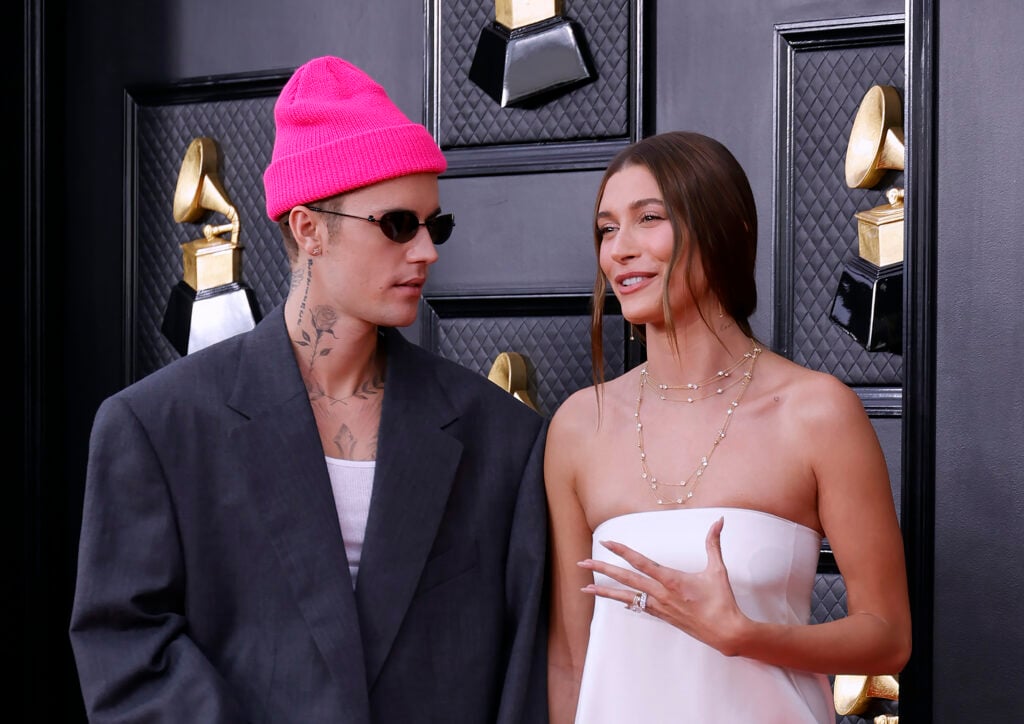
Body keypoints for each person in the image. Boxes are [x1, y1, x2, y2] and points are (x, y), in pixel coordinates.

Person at [70, 55, 549, 723]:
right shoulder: (156, 428)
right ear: (308, 228)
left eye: (433, 225)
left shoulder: (502, 438)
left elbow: (526, 670)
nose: (427, 252)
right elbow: (126, 650)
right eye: (397, 224)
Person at [544, 131, 911, 723]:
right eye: (607, 229)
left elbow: (887, 635)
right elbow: (569, 658)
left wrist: (742, 634)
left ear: (725, 231)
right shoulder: (580, 425)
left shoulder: (816, 412)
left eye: (650, 219)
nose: (620, 250)